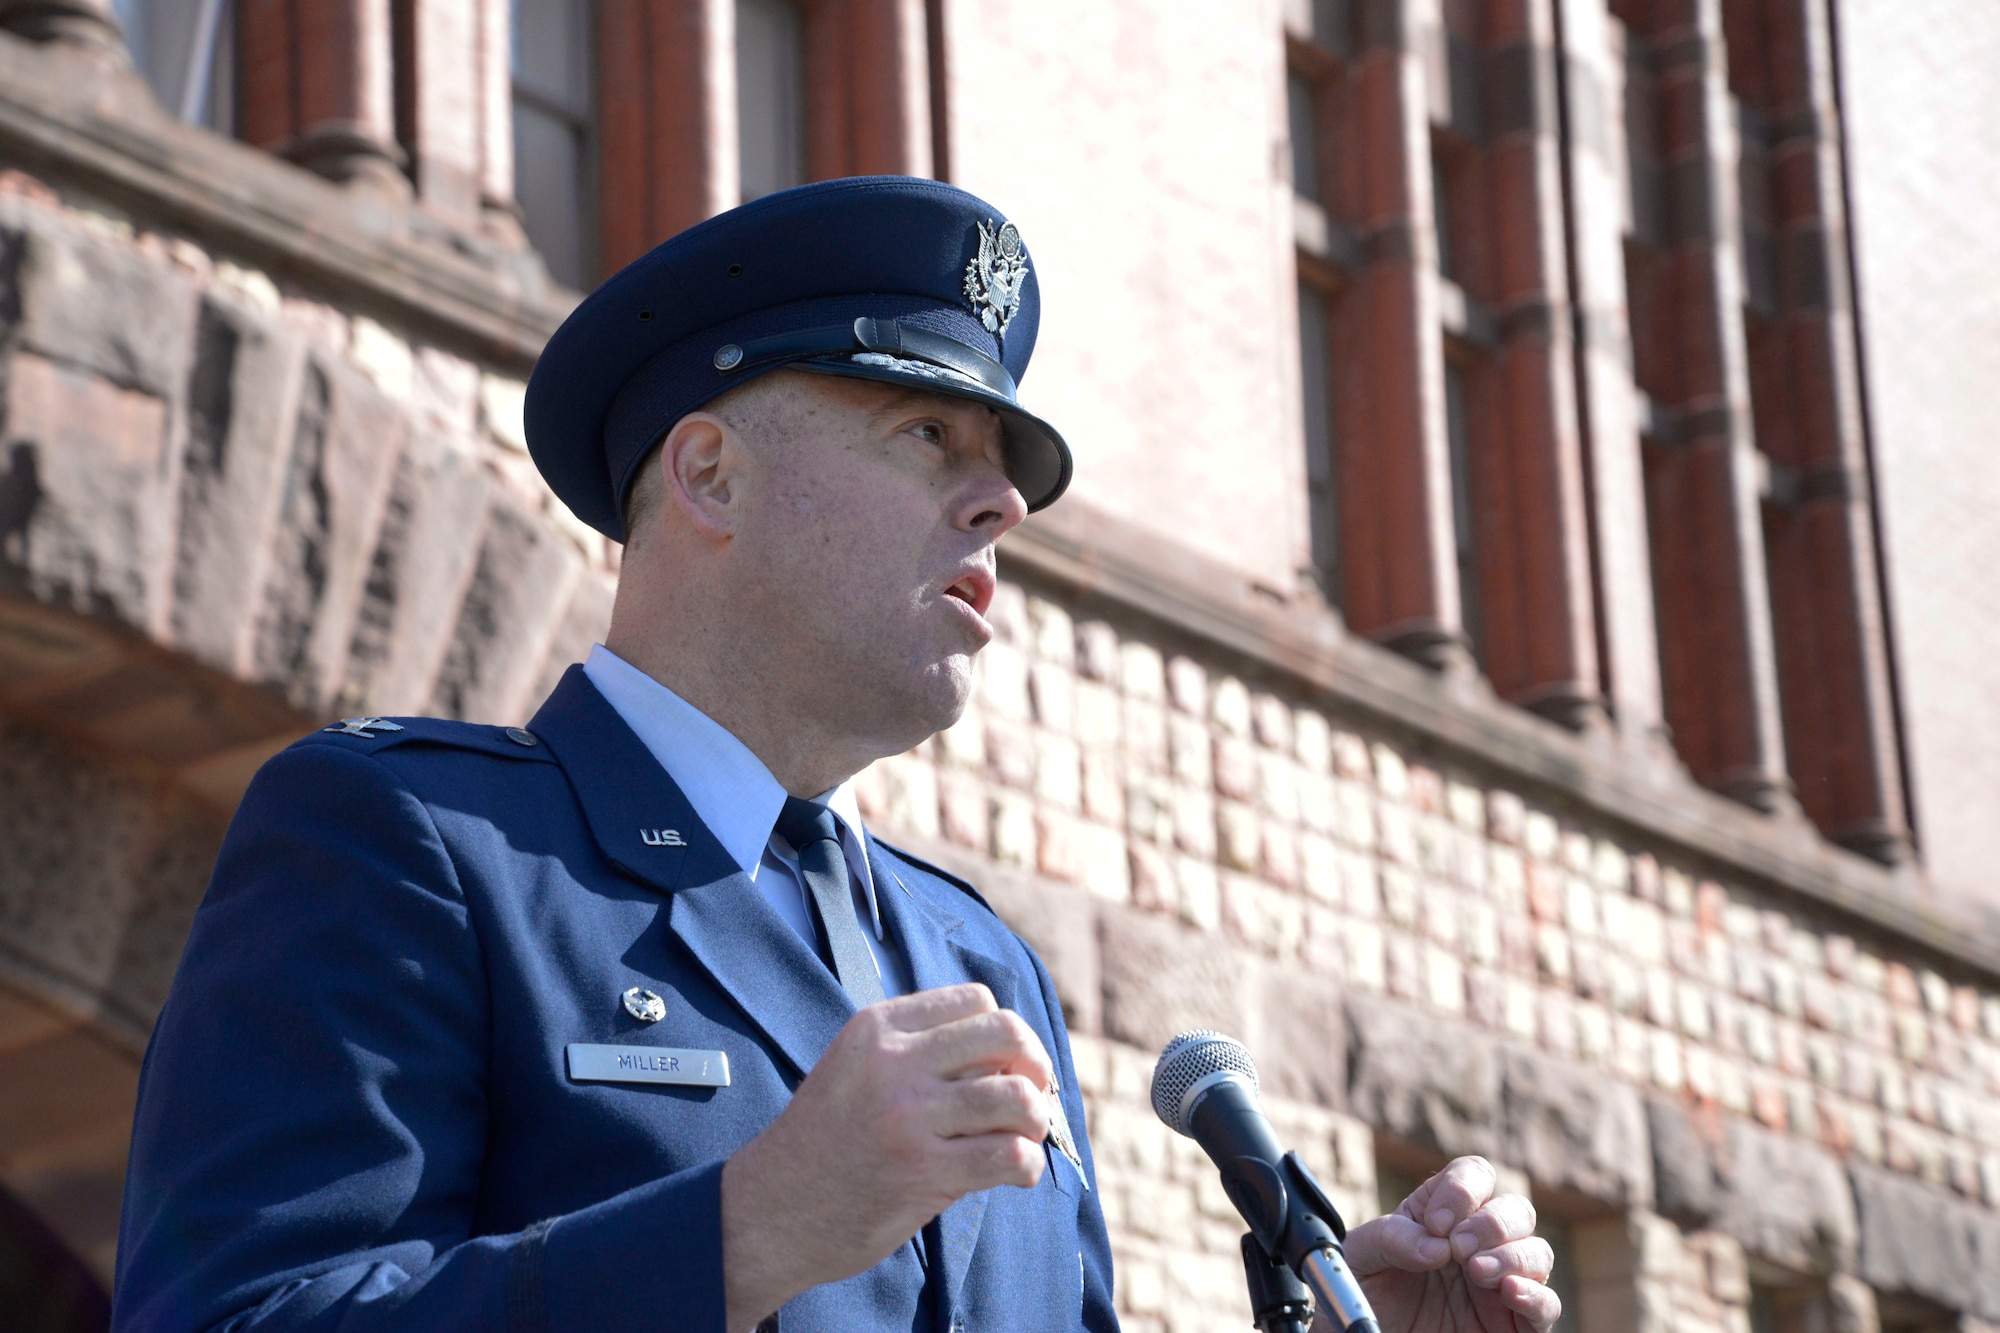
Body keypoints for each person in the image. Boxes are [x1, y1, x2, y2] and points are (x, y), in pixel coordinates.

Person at [112, 177, 1559, 1333]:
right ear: (710, 474)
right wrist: (745, 1233)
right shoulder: (408, 839)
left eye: (1002, 464)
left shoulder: (977, 961)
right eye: (924, 429)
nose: (997, 501)